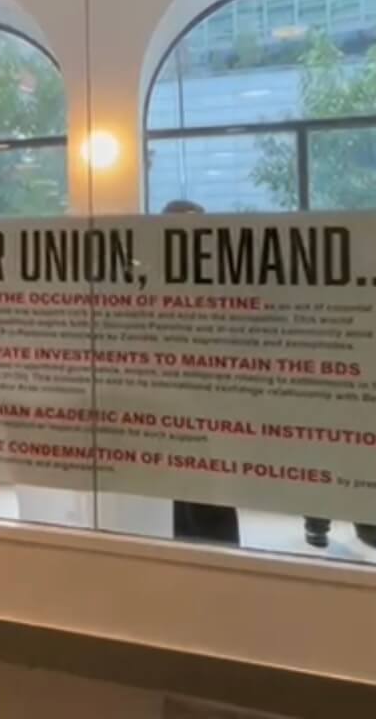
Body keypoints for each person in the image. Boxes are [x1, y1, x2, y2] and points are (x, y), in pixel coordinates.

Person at [157, 199, 245, 546]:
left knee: (212, 496)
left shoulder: (221, 278)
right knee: (182, 496)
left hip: (212, 404)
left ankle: (222, 562)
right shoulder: (157, 279)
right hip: (171, 403)